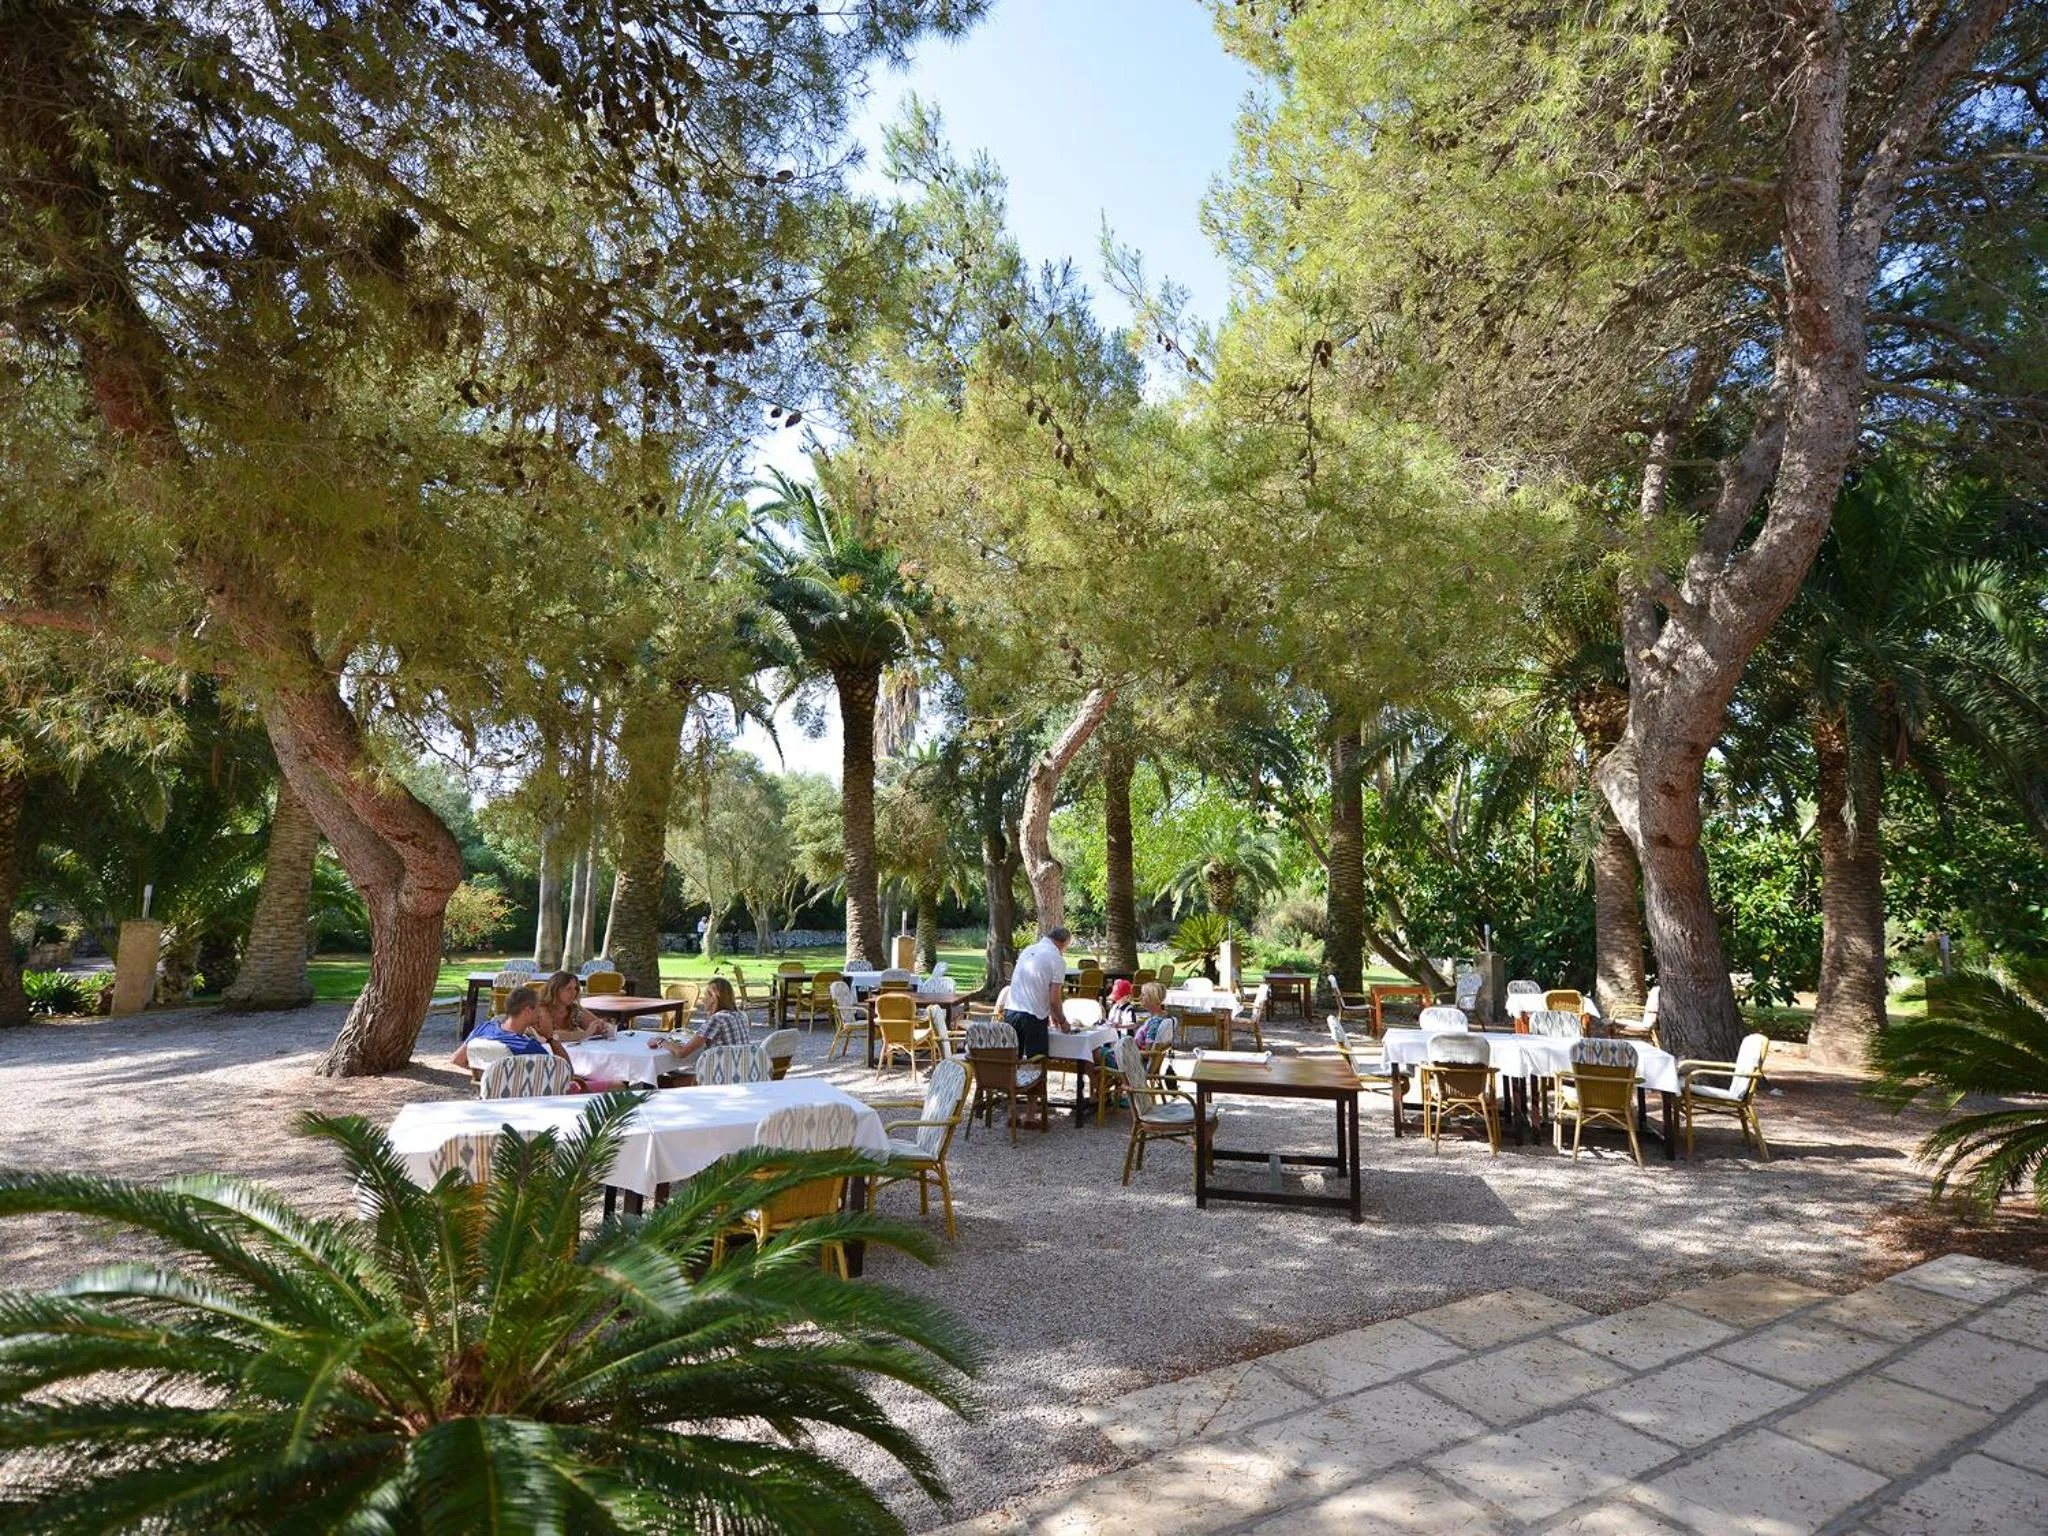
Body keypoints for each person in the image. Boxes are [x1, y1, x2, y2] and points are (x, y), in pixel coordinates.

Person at [454, 987, 621, 1091]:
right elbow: (566, 1075)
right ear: (527, 1010)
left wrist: (494, 1077)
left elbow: (458, 1060)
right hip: (539, 1096)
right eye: (538, 1010)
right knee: (619, 1085)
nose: (541, 1014)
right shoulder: (527, 1046)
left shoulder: (483, 1028)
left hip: (499, 1095)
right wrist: (550, 1038)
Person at [656, 976, 752, 1073]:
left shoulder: (717, 1019)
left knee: (663, 1081)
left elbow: (681, 1053)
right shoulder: (741, 1015)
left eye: (705, 996)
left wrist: (660, 1041)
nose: (703, 1000)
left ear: (713, 998)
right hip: (740, 1073)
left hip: (720, 1078)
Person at [1006, 925, 1069, 1060]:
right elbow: (1054, 999)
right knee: (1038, 1065)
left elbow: (1036, 984)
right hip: (1033, 1016)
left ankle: (1012, 1082)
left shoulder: (1027, 950)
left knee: (1011, 1063)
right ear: (1062, 943)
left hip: (1011, 1009)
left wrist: (1052, 1013)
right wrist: (1063, 1021)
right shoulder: (1057, 959)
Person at [535, 971, 614, 1044]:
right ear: (555, 990)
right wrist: (585, 1034)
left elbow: (598, 1025)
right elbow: (551, 1036)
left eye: (575, 988)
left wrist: (605, 1028)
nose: (574, 993)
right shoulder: (541, 1009)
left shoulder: (574, 1009)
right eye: (568, 989)